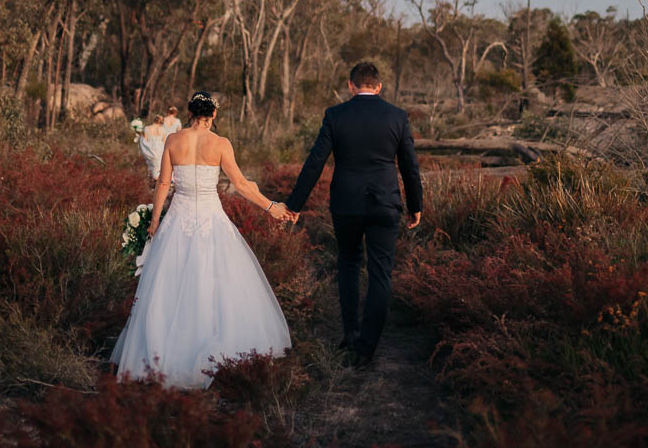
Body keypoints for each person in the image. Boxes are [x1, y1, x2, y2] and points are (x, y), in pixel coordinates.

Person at [110, 91, 297, 388]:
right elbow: (240, 185)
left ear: (190, 113)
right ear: (213, 115)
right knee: (217, 282)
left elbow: (162, 183)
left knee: (169, 285)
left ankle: (165, 354)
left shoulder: (173, 140)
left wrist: (155, 221)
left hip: (177, 220)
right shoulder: (221, 144)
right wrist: (271, 207)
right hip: (211, 219)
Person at [286, 62, 423, 367]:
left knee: (348, 263)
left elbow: (315, 162)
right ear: (379, 86)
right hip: (385, 204)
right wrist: (416, 205)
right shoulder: (397, 117)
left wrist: (295, 203)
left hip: (346, 204)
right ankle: (366, 348)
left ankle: (350, 334)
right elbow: (410, 167)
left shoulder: (336, 115)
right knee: (380, 273)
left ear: (350, 86)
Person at [136, 116, 166, 182]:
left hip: (150, 149)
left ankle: (152, 180)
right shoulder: (163, 130)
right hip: (160, 149)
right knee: (159, 166)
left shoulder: (147, 128)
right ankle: (158, 180)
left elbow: (144, 140)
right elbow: (164, 142)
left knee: (151, 166)